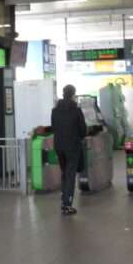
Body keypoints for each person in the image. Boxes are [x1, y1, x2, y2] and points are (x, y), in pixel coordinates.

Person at [51, 84, 86, 215]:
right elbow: (83, 130)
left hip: (59, 146)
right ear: (73, 95)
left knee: (64, 173)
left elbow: (54, 127)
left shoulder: (55, 110)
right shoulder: (76, 110)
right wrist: (79, 136)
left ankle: (64, 199)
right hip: (72, 147)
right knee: (70, 174)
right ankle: (67, 204)